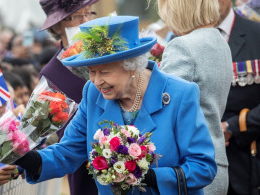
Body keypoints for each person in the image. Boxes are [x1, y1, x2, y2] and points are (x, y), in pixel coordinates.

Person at [15, 16, 217, 194]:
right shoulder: (93, 94)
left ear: (131, 66)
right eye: (91, 72)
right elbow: (68, 151)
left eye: (104, 72)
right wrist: (30, 159)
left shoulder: (179, 94)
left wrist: (152, 177)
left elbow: (203, 167)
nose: (96, 81)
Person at [156, 0, 233, 194]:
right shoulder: (219, 40)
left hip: (189, 169)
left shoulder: (183, 46)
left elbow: (163, 107)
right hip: (215, 162)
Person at [37, 0, 99, 194]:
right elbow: (62, 131)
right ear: (57, 25)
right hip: (85, 164)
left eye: (89, 14)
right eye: (78, 16)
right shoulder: (51, 74)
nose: (86, 21)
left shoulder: (104, 57)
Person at [216, 0, 260, 194]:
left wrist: (233, 127)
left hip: (250, 161)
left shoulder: (256, 34)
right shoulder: (181, 39)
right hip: (205, 170)